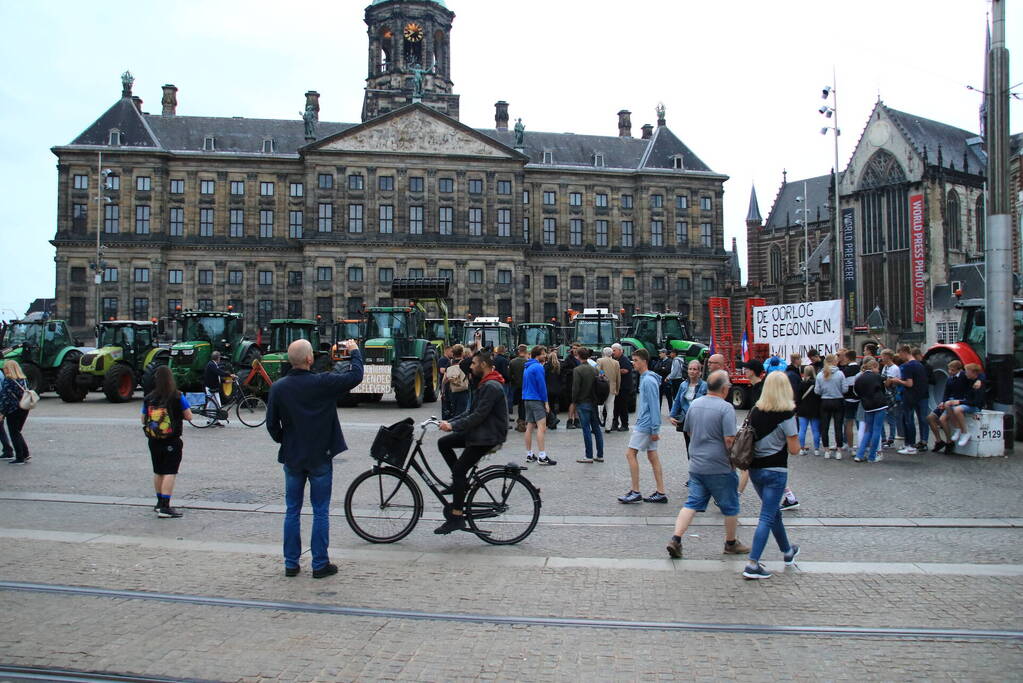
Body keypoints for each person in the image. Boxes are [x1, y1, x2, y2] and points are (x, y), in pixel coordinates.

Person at [266, 338, 363, 579]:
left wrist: (286, 440)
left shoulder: (278, 387)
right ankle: (319, 564)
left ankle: (291, 563)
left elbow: (271, 425)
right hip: (320, 455)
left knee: (292, 510)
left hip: (293, 456)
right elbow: (355, 377)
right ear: (310, 359)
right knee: (320, 511)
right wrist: (355, 352)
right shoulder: (323, 382)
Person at [666, 370, 749, 558]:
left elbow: (688, 432)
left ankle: (676, 539)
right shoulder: (725, 408)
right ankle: (730, 543)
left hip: (696, 465)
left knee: (691, 503)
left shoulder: (695, 405)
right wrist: (734, 461)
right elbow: (729, 439)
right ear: (725, 389)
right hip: (719, 466)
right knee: (731, 506)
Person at [436, 352, 509, 534]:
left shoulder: (491, 386)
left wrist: (453, 425)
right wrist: (450, 422)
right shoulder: (485, 384)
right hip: (481, 432)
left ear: (483, 365)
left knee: (460, 470)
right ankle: (459, 484)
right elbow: (470, 411)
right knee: (443, 443)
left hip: (487, 436)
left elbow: (478, 416)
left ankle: (457, 516)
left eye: (474, 363)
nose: (470, 366)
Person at [742, 372, 802, 580]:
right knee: (767, 516)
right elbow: (794, 449)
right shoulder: (787, 413)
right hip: (776, 470)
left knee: (773, 511)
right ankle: (752, 563)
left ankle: (787, 551)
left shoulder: (755, 411)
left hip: (755, 469)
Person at [141, 365, 194, 518]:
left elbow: (143, 419)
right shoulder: (177, 396)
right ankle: (166, 506)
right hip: (172, 440)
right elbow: (189, 416)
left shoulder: (148, 397)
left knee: (158, 471)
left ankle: (159, 503)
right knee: (170, 472)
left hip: (154, 439)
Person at [618, 349, 667, 503]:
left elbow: (654, 406)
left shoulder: (648, 380)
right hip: (648, 423)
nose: (634, 363)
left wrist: (654, 428)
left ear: (644, 361)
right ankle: (660, 492)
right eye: (633, 360)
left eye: (636, 360)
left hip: (646, 424)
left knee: (630, 454)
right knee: (652, 456)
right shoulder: (647, 379)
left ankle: (635, 490)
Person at [522, 345, 555, 466]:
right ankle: (542, 456)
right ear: (538, 355)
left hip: (527, 398)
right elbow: (542, 386)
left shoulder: (527, 366)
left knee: (529, 427)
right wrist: (546, 402)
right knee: (542, 427)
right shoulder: (538, 367)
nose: (545, 355)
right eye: (543, 353)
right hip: (536, 399)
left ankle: (529, 454)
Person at [893, 345, 929, 454]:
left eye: (900, 354)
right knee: (922, 419)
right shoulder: (919, 364)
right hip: (922, 395)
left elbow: (909, 383)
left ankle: (910, 445)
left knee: (909, 421)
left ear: (904, 352)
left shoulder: (908, 366)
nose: (900, 357)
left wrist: (897, 381)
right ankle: (922, 441)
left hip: (911, 396)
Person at [571, 347, 604, 463]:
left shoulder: (577, 370)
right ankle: (600, 455)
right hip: (593, 402)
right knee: (597, 429)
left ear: (578, 356)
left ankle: (588, 456)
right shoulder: (594, 369)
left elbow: (576, 388)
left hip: (583, 402)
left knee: (586, 430)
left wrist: (573, 401)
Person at [943, 363, 987, 449]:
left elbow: (975, 402)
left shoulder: (978, 384)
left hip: (975, 405)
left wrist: (959, 402)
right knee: (948, 404)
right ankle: (957, 428)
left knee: (957, 409)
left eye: (967, 372)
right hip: (968, 401)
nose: (965, 373)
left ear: (973, 373)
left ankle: (965, 432)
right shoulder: (969, 380)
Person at [927, 360, 968, 452]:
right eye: (949, 369)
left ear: (959, 370)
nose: (950, 372)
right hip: (948, 402)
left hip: (957, 401)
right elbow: (946, 393)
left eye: (952, 370)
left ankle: (949, 441)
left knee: (942, 420)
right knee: (930, 418)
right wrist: (943, 402)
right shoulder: (950, 379)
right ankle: (939, 440)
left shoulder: (964, 376)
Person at [669, 360, 708, 454]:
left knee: (698, 447)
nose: (692, 371)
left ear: (699, 372)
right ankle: (691, 465)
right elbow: (677, 401)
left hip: (699, 420)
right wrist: (672, 416)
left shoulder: (705, 386)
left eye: (695, 369)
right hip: (686, 419)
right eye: (690, 369)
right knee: (689, 446)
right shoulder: (683, 385)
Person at [853, 358, 887, 463]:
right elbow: (883, 389)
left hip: (867, 406)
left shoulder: (859, 378)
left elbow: (856, 393)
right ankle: (872, 456)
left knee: (868, 431)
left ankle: (859, 454)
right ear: (874, 367)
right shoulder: (877, 377)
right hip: (880, 404)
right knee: (877, 430)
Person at [815, 353, 846, 459]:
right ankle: (839, 450)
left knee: (824, 427)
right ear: (834, 361)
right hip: (838, 400)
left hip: (825, 401)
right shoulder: (840, 374)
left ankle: (826, 450)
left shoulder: (820, 374)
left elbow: (817, 391)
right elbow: (845, 389)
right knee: (838, 426)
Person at [0, 360, 32, 465]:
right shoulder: (24, 379)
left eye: (5, 368)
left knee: (14, 433)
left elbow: (5, 398)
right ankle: (26, 453)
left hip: (13, 409)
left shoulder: (8, 380)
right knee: (18, 432)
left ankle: (20, 457)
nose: (4, 369)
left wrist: (2, 413)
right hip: (24, 408)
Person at [203, 351, 235, 427]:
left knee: (214, 405)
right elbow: (218, 372)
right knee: (215, 405)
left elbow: (217, 377)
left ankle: (212, 421)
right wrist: (229, 375)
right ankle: (212, 421)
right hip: (211, 388)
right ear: (218, 358)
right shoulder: (212, 365)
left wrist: (227, 381)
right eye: (220, 357)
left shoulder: (213, 364)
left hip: (213, 387)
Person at [879, 349, 903, 449]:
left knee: (891, 418)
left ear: (888, 357)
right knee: (882, 417)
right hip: (884, 394)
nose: (881, 358)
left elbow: (888, 383)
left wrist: (884, 382)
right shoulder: (885, 367)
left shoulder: (894, 368)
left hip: (891, 395)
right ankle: (884, 438)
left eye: (882, 356)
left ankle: (891, 439)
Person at [796, 364, 821, 456]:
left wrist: (796, 409)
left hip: (803, 409)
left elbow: (797, 398)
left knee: (802, 430)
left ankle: (801, 449)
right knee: (816, 430)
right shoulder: (816, 383)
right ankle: (817, 449)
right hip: (814, 409)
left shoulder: (801, 384)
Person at [840, 349, 861, 455]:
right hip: (859, 399)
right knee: (861, 424)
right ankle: (862, 445)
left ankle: (851, 447)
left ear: (847, 358)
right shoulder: (860, 369)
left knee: (849, 424)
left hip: (848, 399)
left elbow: (843, 387)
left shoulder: (845, 371)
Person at [595, 347, 620, 433]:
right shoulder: (616, 362)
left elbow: (598, 372)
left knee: (599, 407)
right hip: (612, 388)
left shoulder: (599, 360)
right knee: (610, 408)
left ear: (603, 353)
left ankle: (597, 424)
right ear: (611, 353)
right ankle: (608, 427)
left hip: (601, 387)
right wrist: (617, 388)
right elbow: (618, 377)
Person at [443, 345, 471, 418]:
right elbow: (470, 376)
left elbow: (444, 379)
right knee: (463, 412)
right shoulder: (465, 363)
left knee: (454, 411)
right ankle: (460, 427)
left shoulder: (450, 363)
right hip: (463, 390)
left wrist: (443, 390)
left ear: (453, 353)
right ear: (462, 353)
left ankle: (454, 427)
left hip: (453, 390)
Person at [610, 343, 633, 432]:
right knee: (615, 407)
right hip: (617, 387)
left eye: (614, 350)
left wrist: (612, 371)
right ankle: (615, 424)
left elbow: (625, 370)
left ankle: (624, 425)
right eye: (612, 351)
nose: (613, 352)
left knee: (623, 407)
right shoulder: (615, 359)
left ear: (620, 350)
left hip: (624, 387)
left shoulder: (624, 359)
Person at [508, 344, 528, 432]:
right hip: (527, 386)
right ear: (526, 351)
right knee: (525, 405)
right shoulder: (528, 362)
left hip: (517, 386)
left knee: (520, 405)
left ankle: (520, 423)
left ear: (518, 351)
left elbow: (509, 375)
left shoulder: (512, 362)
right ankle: (525, 422)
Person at [544, 351, 562, 429]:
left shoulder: (546, 366)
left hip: (548, 388)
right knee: (554, 405)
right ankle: (554, 421)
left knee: (549, 405)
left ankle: (552, 420)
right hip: (557, 389)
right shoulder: (559, 366)